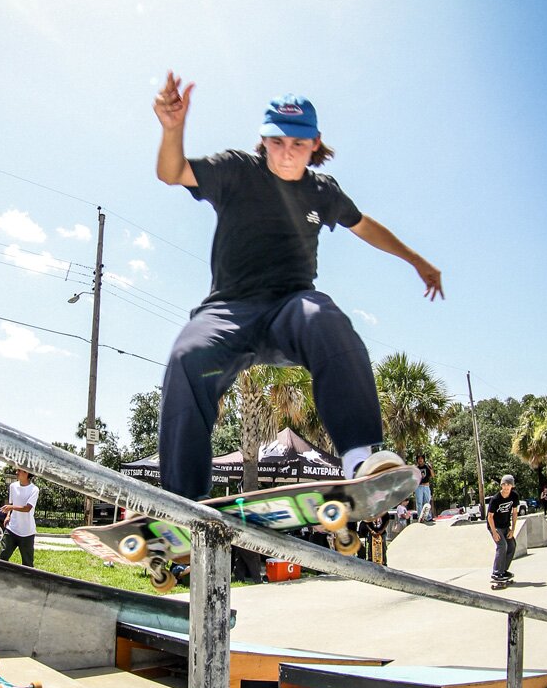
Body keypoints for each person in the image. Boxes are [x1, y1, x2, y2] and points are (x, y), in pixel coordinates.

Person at [153, 72, 444, 501]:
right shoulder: (235, 170)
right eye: (277, 142)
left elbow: (364, 226)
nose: (287, 154)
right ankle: (182, 500)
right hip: (228, 310)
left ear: (315, 144)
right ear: (263, 140)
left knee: (324, 317)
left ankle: (360, 458)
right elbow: (172, 172)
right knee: (187, 356)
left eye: (298, 145)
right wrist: (173, 128)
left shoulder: (322, 191)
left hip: (291, 310)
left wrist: (416, 260)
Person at [0, 467, 39, 566]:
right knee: (2, 557)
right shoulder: (13, 486)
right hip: (11, 529)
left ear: (26, 473)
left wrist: (11, 507)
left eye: (19, 471)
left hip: (27, 533)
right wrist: (8, 515)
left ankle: (27, 581)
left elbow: (27, 508)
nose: (16, 473)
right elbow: (11, 502)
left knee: (27, 564)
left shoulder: (34, 490)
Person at [487, 474, 519, 584]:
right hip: (494, 526)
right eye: (504, 485)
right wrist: (494, 532)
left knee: (512, 545)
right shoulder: (495, 499)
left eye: (508, 485)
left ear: (512, 486)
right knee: (502, 545)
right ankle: (496, 572)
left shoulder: (514, 496)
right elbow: (490, 517)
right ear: (501, 485)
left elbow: (515, 513)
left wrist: (512, 530)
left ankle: (503, 570)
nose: (506, 487)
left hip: (505, 526)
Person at [414, 454, 435, 522]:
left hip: (426, 486)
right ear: (417, 460)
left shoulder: (427, 467)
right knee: (419, 502)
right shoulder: (416, 468)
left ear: (423, 459)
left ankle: (428, 517)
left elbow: (433, 476)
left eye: (421, 458)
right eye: (419, 459)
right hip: (418, 487)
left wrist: (431, 468)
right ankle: (420, 517)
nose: (420, 460)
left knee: (427, 502)